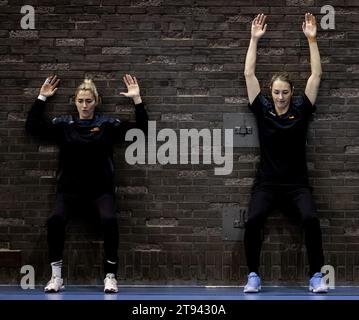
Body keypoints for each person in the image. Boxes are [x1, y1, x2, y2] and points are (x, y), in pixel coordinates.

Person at [25, 74, 148, 293]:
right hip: (69, 190)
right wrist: (42, 98)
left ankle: (110, 276)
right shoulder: (64, 124)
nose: (84, 105)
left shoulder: (107, 125)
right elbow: (33, 127)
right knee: (55, 221)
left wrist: (137, 99)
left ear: (96, 102)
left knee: (110, 221)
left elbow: (142, 130)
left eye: (88, 101)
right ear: (75, 101)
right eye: (80, 101)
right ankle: (56, 277)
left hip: (100, 191)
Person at [242, 13, 328, 293]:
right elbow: (248, 74)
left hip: (296, 185)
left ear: (292, 93)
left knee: (311, 220)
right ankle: (253, 275)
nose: (280, 97)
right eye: (277, 92)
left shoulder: (301, 110)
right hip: (267, 183)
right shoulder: (262, 109)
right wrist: (254, 40)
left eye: (285, 93)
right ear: (271, 92)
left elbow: (316, 75)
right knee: (253, 220)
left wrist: (312, 39)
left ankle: (316, 276)